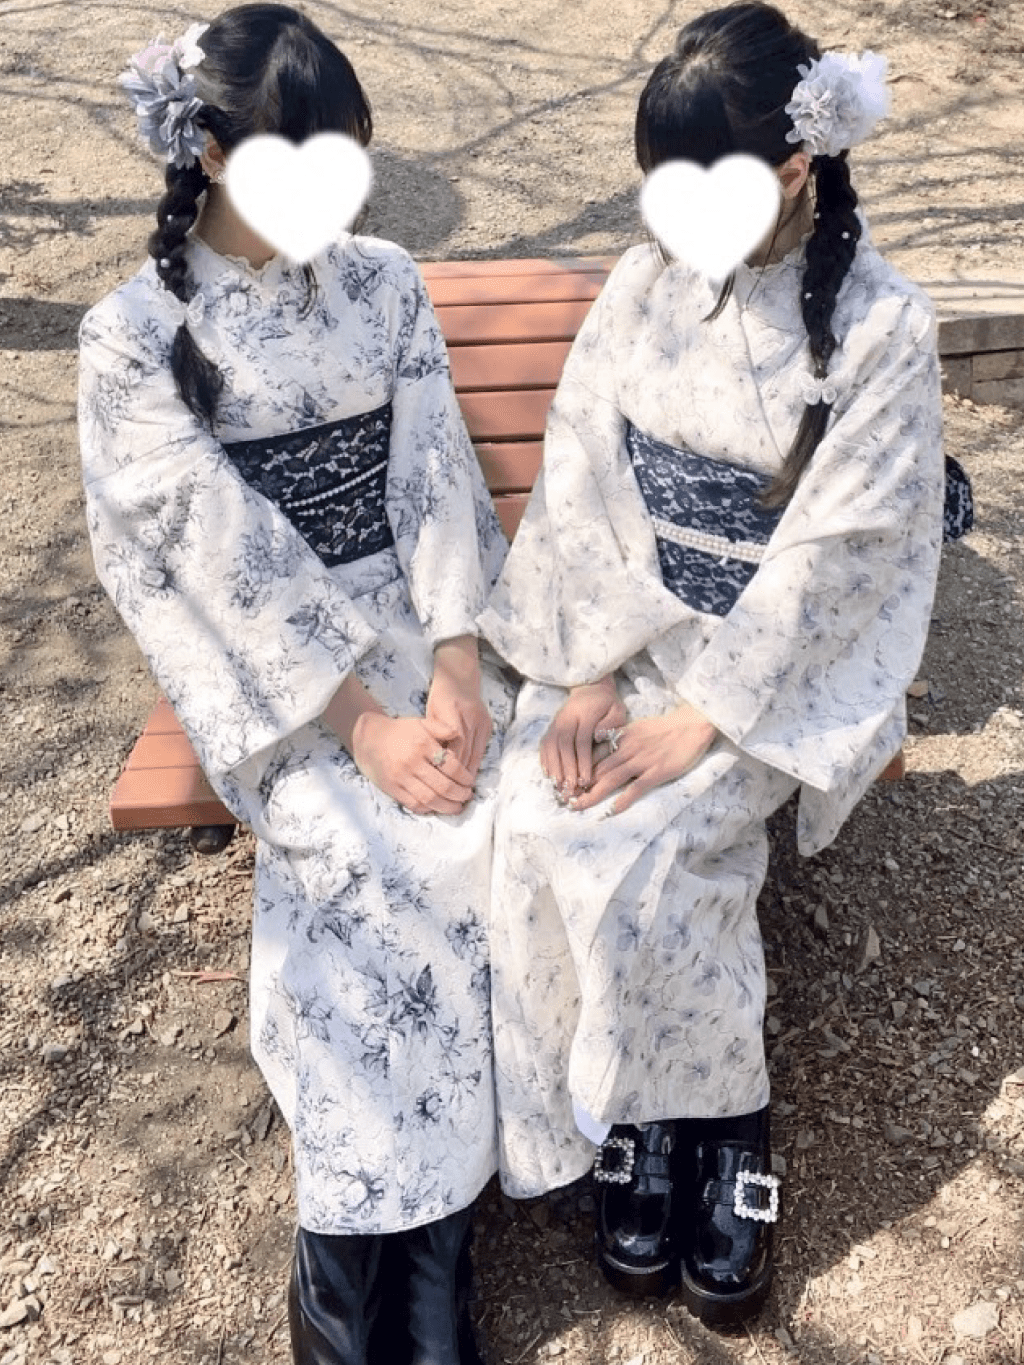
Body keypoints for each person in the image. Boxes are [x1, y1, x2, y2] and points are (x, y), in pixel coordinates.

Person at [478, 1, 946, 1329]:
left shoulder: (882, 327)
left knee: (661, 840)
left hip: (773, 667)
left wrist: (708, 714)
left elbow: (845, 552)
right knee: (532, 816)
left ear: (795, 169)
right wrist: (586, 667)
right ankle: (629, 1102)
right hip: (627, 627)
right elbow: (584, 466)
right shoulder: (644, 287)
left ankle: (726, 1118)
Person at [78, 7, 515, 1362]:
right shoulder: (132, 335)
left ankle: (431, 1249)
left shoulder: (383, 281)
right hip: (276, 674)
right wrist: (365, 727)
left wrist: (457, 663)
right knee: (356, 861)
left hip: (415, 628)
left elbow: (433, 468)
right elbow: (216, 555)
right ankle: (345, 1243)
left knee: (489, 826)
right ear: (211, 154)